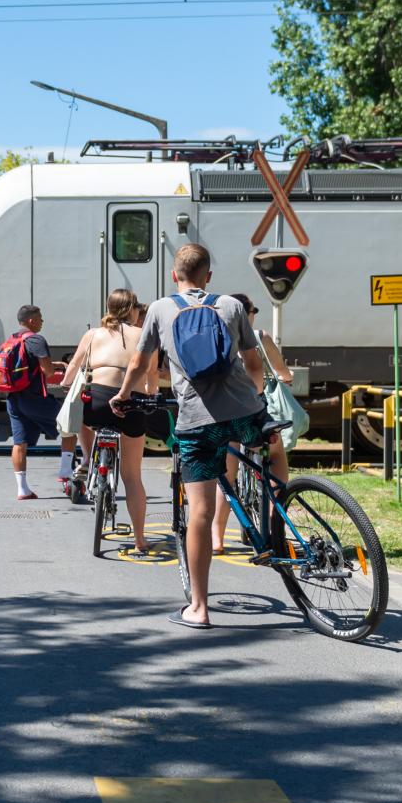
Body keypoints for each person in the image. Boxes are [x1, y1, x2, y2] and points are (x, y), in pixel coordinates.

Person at [114, 244, 267, 629]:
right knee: (269, 446)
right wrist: (256, 398)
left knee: (199, 511)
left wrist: (123, 395)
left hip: (197, 420)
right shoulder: (231, 305)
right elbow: (252, 362)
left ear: (173, 275)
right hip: (246, 412)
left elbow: (139, 362)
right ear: (209, 276)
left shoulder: (162, 309)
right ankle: (281, 503)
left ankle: (199, 608)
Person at [64, 288, 157, 552]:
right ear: (133, 310)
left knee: (83, 416)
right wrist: (151, 395)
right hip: (131, 403)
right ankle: (139, 539)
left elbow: (73, 367)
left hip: (97, 401)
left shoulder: (93, 334)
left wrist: (64, 383)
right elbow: (151, 376)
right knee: (132, 476)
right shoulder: (144, 335)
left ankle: (86, 458)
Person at [211, 294, 294, 554]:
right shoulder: (259, 337)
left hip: (224, 413)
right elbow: (281, 373)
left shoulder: (215, 338)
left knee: (226, 473)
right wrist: (284, 379)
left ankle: (218, 537)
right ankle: (275, 525)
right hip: (252, 412)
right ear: (248, 314)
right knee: (277, 456)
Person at [4, 305, 77, 500]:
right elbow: (48, 371)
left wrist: (57, 364)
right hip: (34, 398)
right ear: (31, 321)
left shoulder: (12, 340)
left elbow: (28, 365)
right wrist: (58, 369)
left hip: (13, 399)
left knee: (20, 443)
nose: (42, 321)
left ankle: (22, 489)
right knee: (70, 425)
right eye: (40, 318)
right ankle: (65, 471)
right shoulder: (36, 339)